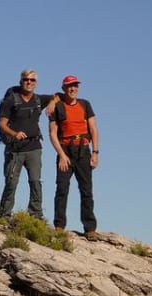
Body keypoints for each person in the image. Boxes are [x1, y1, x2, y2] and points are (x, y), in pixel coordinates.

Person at [0, 69, 57, 219]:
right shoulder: (11, 100)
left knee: (35, 181)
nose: (29, 82)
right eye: (26, 80)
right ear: (21, 81)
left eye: (32, 80)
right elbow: (2, 124)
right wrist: (14, 134)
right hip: (15, 148)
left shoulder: (38, 100)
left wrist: (52, 104)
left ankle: (35, 214)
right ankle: (4, 215)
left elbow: (58, 96)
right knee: (11, 182)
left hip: (34, 147)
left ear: (36, 83)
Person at [48, 75, 99, 240]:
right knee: (62, 189)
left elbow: (93, 129)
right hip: (65, 151)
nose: (73, 88)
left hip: (83, 150)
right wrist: (61, 155)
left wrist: (95, 152)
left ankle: (90, 228)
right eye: (70, 86)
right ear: (64, 88)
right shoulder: (57, 106)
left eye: (75, 85)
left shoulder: (85, 104)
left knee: (86, 190)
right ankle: (59, 226)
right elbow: (52, 133)